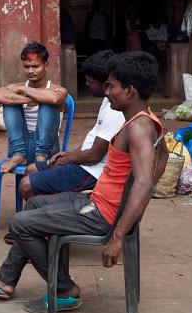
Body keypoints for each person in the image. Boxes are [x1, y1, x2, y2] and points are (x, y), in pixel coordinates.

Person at [0, 51, 165, 313]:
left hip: (102, 214)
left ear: (130, 90)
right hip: (100, 203)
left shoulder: (137, 128)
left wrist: (119, 234)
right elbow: (163, 158)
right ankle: (6, 280)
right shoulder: (146, 121)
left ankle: (64, 289)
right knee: (33, 203)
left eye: (111, 86)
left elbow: (144, 183)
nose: (106, 91)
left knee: (20, 223)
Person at [18, 50, 124, 201]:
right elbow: (93, 141)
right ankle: (42, 214)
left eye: (91, 81)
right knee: (31, 169)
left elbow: (94, 155)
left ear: (105, 83)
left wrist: (66, 160)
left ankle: (41, 218)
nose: (87, 84)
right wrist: (67, 155)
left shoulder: (115, 111)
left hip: (93, 172)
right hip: (86, 164)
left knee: (26, 185)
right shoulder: (107, 101)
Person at [0, 42, 68, 174]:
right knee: (8, 102)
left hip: (48, 149)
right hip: (20, 147)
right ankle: (19, 156)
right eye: (26, 67)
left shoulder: (58, 90)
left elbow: (55, 99)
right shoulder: (16, 87)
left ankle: (41, 157)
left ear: (46, 65)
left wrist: (22, 90)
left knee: (48, 101)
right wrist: (28, 96)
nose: (30, 71)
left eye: (35, 66)